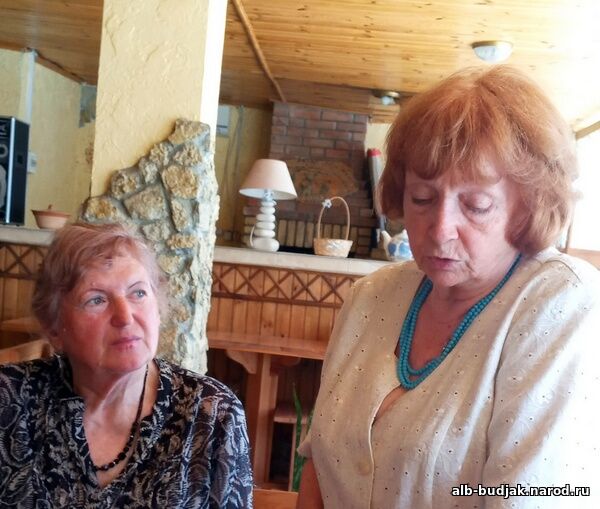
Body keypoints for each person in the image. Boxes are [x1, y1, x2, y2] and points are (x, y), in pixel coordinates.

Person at [296, 66, 600, 508]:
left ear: (528, 205)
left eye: (476, 205)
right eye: (422, 198)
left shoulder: (562, 302)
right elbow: (320, 462)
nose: (440, 230)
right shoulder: (370, 296)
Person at [0, 222, 253, 508]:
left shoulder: (211, 414)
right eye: (96, 300)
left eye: (138, 293)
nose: (125, 316)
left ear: (158, 309)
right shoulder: (10, 401)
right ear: (54, 328)